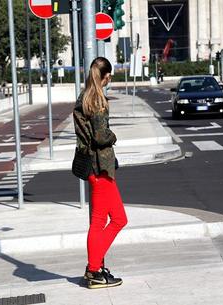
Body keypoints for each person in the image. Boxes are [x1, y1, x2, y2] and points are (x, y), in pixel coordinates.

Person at [72, 57, 128, 289]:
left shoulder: (83, 96)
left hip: (92, 167)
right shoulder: (98, 100)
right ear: (103, 76)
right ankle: (94, 269)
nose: (111, 78)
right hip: (101, 167)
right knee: (117, 220)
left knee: (101, 221)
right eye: (109, 75)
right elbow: (100, 136)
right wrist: (114, 136)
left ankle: (95, 267)